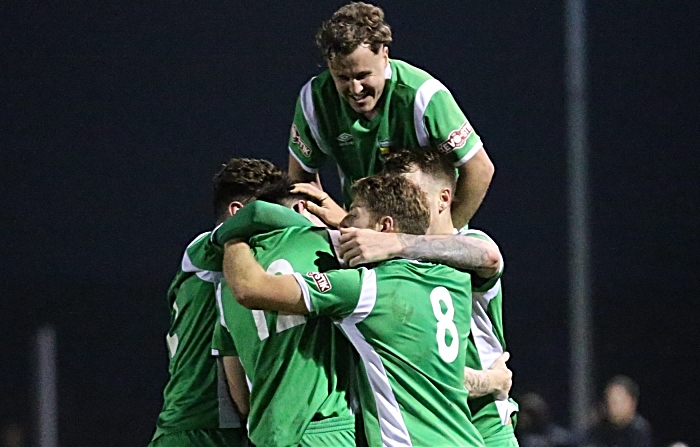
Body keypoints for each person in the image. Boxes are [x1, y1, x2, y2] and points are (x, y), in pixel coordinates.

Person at [222, 174, 487, 447]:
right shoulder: (454, 278)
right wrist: (492, 380)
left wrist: (232, 236)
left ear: (384, 226)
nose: (343, 223)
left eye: (353, 215)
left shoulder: (365, 289)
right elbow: (489, 257)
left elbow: (249, 288)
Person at [294, 148, 519, 446]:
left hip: (484, 426)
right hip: (421, 427)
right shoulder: (386, 265)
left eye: (410, 190)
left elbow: (488, 257)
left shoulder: (466, 245)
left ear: (443, 198)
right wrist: (347, 222)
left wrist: (395, 242)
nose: (402, 200)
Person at [287, 2, 494, 228]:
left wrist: (444, 238)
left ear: (385, 56)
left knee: (490, 257)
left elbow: (480, 169)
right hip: (362, 238)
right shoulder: (314, 99)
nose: (355, 89)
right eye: (342, 78)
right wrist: (339, 228)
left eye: (363, 75)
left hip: (423, 242)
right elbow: (300, 182)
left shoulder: (423, 96)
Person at [210, 178, 358, 447]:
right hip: (327, 430)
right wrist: (346, 220)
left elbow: (240, 398)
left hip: (265, 435)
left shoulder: (226, 283)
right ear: (303, 208)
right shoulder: (329, 247)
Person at [149, 158, 284, 447]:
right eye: (275, 214)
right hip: (199, 427)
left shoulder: (248, 267)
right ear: (238, 214)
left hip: (226, 429)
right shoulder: (203, 253)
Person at [585, 375, 652, 447]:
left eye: (617, 402)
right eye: (610, 401)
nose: (612, 407)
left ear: (631, 402)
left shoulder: (639, 431)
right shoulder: (601, 428)